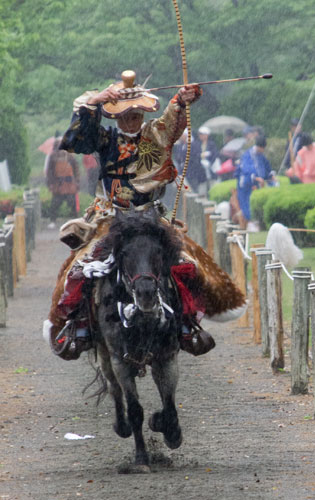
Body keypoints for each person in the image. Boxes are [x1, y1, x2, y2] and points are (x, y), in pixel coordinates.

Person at [44, 69, 246, 359]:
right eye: (125, 115)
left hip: (150, 216)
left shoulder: (155, 134)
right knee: (82, 266)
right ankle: (79, 327)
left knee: (187, 263)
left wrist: (184, 98)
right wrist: (95, 102)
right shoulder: (103, 139)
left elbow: (172, 120)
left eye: (137, 113)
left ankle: (187, 324)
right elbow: (76, 140)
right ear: (115, 117)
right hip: (112, 218)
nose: (132, 119)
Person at [234, 135, 276, 231]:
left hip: (256, 184)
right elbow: (245, 170)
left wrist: (271, 176)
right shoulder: (247, 155)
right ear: (260, 147)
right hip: (245, 183)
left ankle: (257, 222)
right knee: (246, 203)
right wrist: (256, 178)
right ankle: (250, 222)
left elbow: (266, 167)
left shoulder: (261, 155)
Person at [45, 138, 80, 229]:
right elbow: (49, 172)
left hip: (69, 184)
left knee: (72, 204)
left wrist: (77, 182)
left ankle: (75, 221)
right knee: (55, 204)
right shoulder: (52, 157)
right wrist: (51, 183)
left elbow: (76, 169)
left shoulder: (70, 156)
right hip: (58, 184)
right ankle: (52, 221)